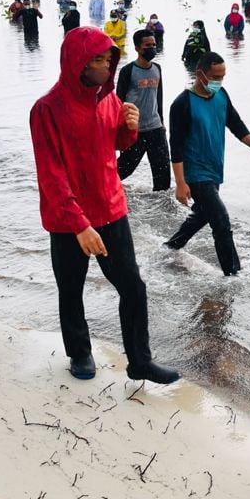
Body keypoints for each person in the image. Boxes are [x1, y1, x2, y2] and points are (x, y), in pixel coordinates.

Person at [29, 26, 181, 385]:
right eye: (96, 60)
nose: (103, 66)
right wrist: (79, 224)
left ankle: (140, 361)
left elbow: (116, 146)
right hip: (68, 220)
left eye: (107, 59)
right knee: (71, 288)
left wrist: (129, 128)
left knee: (133, 287)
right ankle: (80, 352)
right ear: (76, 63)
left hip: (111, 209)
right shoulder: (47, 109)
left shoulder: (108, 99)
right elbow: (51, 176)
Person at [165, 52, 250, 276]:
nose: (219, 81)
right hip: (195, 173)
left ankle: (170, 247)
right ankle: (233, 275)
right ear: (200, 74)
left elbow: (235, 124)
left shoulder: (221, 95)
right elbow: (176, 146)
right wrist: (180, 183)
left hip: (214, 169)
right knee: (221, 222)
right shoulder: (182, 104)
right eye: (215, 76)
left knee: (202, 214)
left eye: (222, 76)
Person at [117, 29, 170, 191]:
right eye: (148, 45)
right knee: (121, 172)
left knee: (163, 181)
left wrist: (161, 122)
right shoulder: (127, 71)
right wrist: (120, 131)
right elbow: (118, 102)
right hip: (134, 131)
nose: (152, 48)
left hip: (156, 129)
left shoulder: (157, 69)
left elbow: (158, 97)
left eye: (154, 45)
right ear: (137, 48)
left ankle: (162, 215)